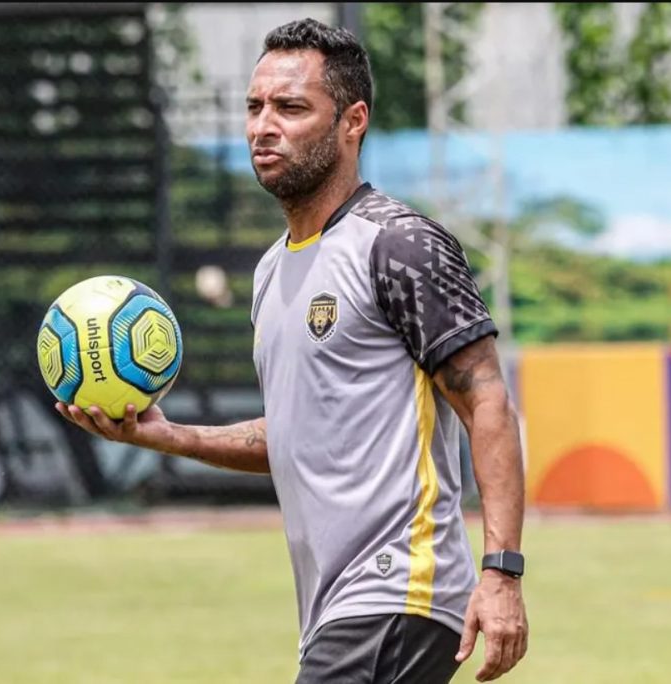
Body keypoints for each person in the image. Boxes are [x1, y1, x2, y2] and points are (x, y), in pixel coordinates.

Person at [57, 17, 528, 684]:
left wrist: (501, 573)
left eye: (291, 107)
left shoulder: (398, 246)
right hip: (333, 609)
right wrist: (171, 437)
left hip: (399, 587)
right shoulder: (272, 272)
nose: (263, 126)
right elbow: (301, 434)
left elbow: (485, 398)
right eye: (254, 107)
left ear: (352, 121)